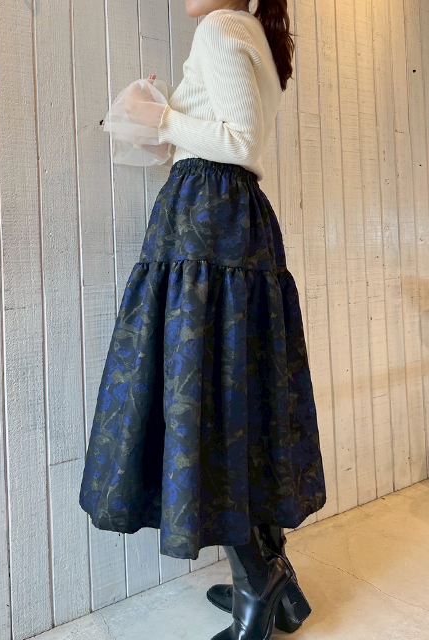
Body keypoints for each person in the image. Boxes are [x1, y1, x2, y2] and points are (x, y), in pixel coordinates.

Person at [79, 1, 327, 638]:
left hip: (208, 224)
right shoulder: (251, 33)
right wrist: (167, 116)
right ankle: (275, 576)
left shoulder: (220, 26)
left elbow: (238, 141)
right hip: (229, 224)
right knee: (238, 396)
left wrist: (161, 117)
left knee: (209, 399)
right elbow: (229, 133)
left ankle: (257, 583)